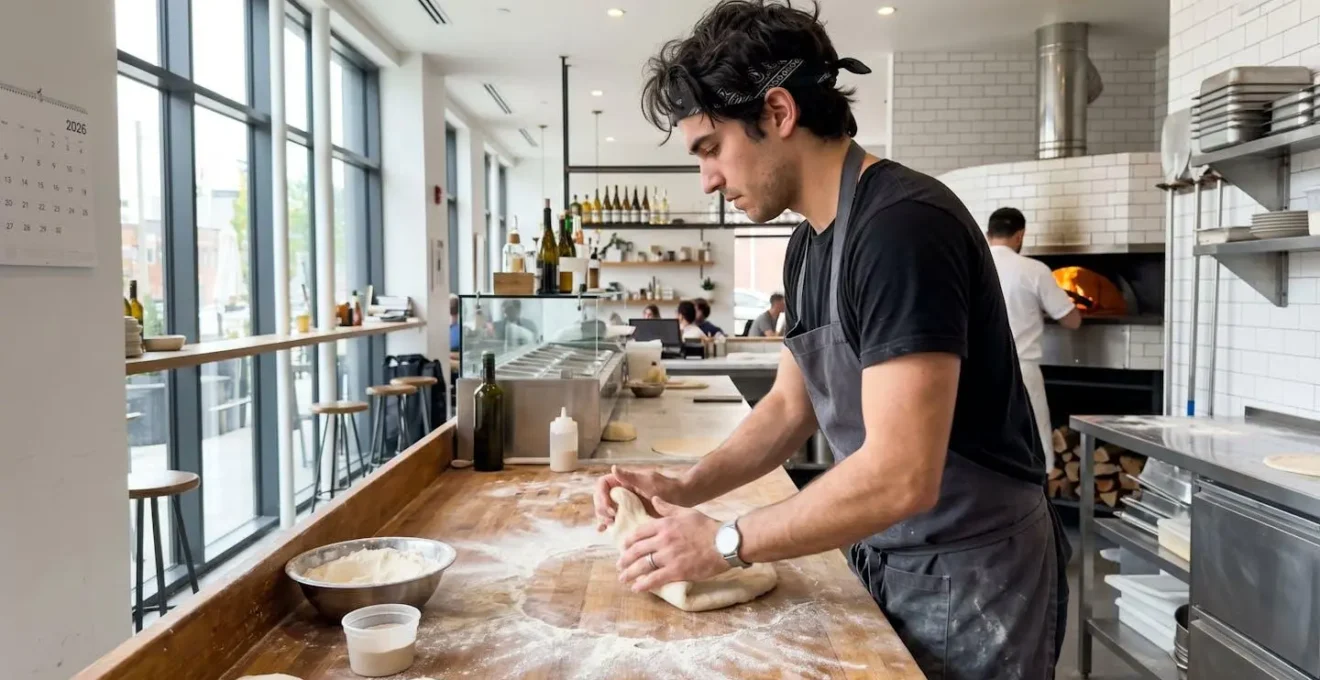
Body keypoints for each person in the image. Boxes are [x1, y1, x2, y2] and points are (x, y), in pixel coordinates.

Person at [595, 3, 1068, 678]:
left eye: (710, 148)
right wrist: (685, 486)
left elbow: (904, 474)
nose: (707, 180)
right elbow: (793, 407)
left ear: (779, 113)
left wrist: (728, 542)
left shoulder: (902, 228)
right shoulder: (808, 243)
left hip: (974, 574)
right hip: (886, 554)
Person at [985, 207, 1081, 471]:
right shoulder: (1033, 269)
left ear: (987, 234)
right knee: (1034, 445)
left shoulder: (971, 263)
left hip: (975, 370)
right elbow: (1071, 320)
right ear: (1020, 235)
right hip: (1021, 370)